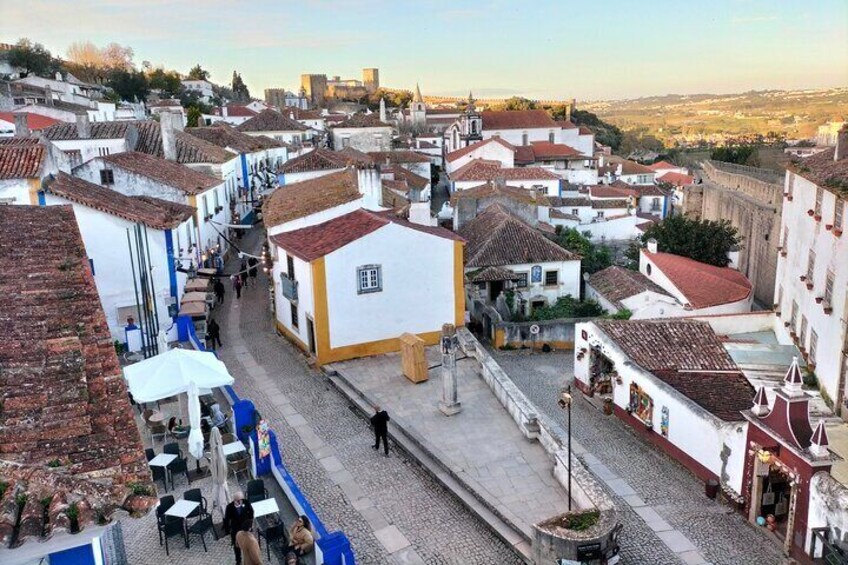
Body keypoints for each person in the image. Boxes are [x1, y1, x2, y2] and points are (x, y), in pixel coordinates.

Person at [223, 492, 254, 565]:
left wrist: (250, 523)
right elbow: (227, 519)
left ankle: (249, 559)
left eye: (241, 499)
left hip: (245, 528)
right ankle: (238, 560)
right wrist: (227, 530)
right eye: (239, 500)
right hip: (236, 529)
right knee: (236, 546)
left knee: (248, 543)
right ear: (235, 500)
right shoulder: (229, 507)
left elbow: (251, 511)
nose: (241, 501)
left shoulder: (246, 502)